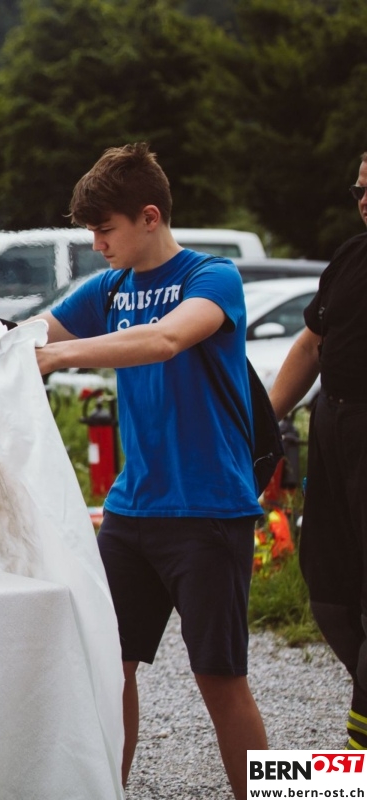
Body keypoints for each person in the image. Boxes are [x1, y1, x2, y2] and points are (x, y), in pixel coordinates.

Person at [30, 143, 266, 799]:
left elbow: (166, 339)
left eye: (105, 229)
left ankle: (291, 792)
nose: (97, 244)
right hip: (131, 513)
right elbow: (25, 333)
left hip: (208, 510)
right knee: (110, 668)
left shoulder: (212, 277)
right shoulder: (109, 287)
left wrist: (62, 356)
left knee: (219, 679)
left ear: (150, 217)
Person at [270, 151, 367, 751]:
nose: (365, 201)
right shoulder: (351, 256)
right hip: (333, 427)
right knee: (330, 595)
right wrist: (262, 426)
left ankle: (355, 760)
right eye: (359, 190)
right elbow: (311, 344)